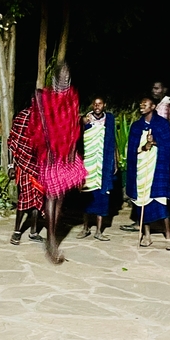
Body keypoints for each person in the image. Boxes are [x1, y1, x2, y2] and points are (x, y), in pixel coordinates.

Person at [29, 64, 87, 263]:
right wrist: (50, 150)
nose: (63, 80)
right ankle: (51, 239)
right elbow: (42, 125)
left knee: (60, 197)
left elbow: (73, 128)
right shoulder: (43, 97)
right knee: (51, 196)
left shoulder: (72, 99)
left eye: (67, 77)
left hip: (66, 155)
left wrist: (72, 151)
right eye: (60, 77)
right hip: (50, 155)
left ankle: (53, 236)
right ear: (54, 79)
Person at [126, 97, 170, 249]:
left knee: (160, 201)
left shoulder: (162, 124)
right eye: (140, 103)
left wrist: (155, 142)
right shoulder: (136, 126)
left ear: (153, 106)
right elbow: (132, 150)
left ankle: (168, 238)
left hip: (157, 168)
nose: (141, 105)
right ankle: (146, 235)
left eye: (145, 103)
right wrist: (144, 146)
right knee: (142, 202)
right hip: (141, 169)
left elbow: (168, 145)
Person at [78, 97, 116, 241]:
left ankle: (99, 231)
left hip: (103, 163)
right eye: (95, 104)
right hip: (88, 163)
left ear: (104, 105)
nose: (97, 106)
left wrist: (115, 162)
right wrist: (82, 123)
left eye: (100, 103)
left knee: (102, 194)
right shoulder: (86, 119)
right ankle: (85, 228)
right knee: (86, 195)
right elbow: (78, 139)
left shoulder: (109, 119)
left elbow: (113, 141)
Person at [7, 103, 44, 244]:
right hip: (23, 165)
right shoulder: (22, 118)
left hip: (38, 165)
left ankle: (33, 232)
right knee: (24, 198)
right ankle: (17, 231)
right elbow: (12, 143)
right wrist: (11, 165)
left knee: (37, 200)